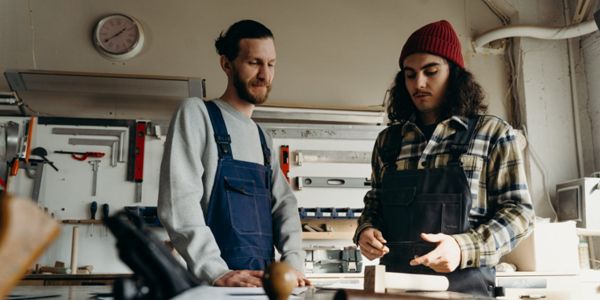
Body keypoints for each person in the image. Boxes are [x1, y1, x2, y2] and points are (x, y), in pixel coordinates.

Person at [354, 20, 534, 296]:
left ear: (455, 74)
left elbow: (520, 214)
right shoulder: (388, 143)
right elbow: (375, 203)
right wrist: (367, 230)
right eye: (410, 75)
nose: (419, 83)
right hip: (395, 290)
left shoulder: (492, 134)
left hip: (465, 289)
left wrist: (463, 248)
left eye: (431, 71)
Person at [158, 19, 309, 288]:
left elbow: (284, 206)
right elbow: (179, 201)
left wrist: (293, 266)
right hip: (212, 285)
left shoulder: (262, 137)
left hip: (260, 286)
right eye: (254, 63)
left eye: (271, 64)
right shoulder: (197, 114)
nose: (265, 75)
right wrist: (215, 271)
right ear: (226, 64)